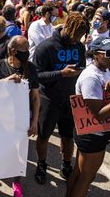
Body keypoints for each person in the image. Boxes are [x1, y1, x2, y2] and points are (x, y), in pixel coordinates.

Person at [65, 37, 110, 197]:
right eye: (108, 53)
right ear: (96, 55)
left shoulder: (104, 69)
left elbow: (102, 100)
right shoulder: (91, 77)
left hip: (93, 133)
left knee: (79, 173)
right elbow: (99, 114)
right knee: (87, 178)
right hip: (93, 135)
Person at [32, 12, 90, 184]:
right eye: (76, 35)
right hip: (49, 99)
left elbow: (82, 69)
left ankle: (66, 165)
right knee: (43, 136)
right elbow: (36, 75)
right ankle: (41, 164)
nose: (77, 39)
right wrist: (61, 73)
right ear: (67, 27)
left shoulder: (79, 46)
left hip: (70, 100)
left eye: (80, 36)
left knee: (68, 136)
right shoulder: (46, 47)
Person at [0, 35, 40, 197]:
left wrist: (35, 120)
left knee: (19, 152)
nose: (28, 53)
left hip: (21, 119)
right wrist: (6, 80)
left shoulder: (30, 68)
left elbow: (36, 97)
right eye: (25, 50)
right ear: (13, 51)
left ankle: (16, 182)